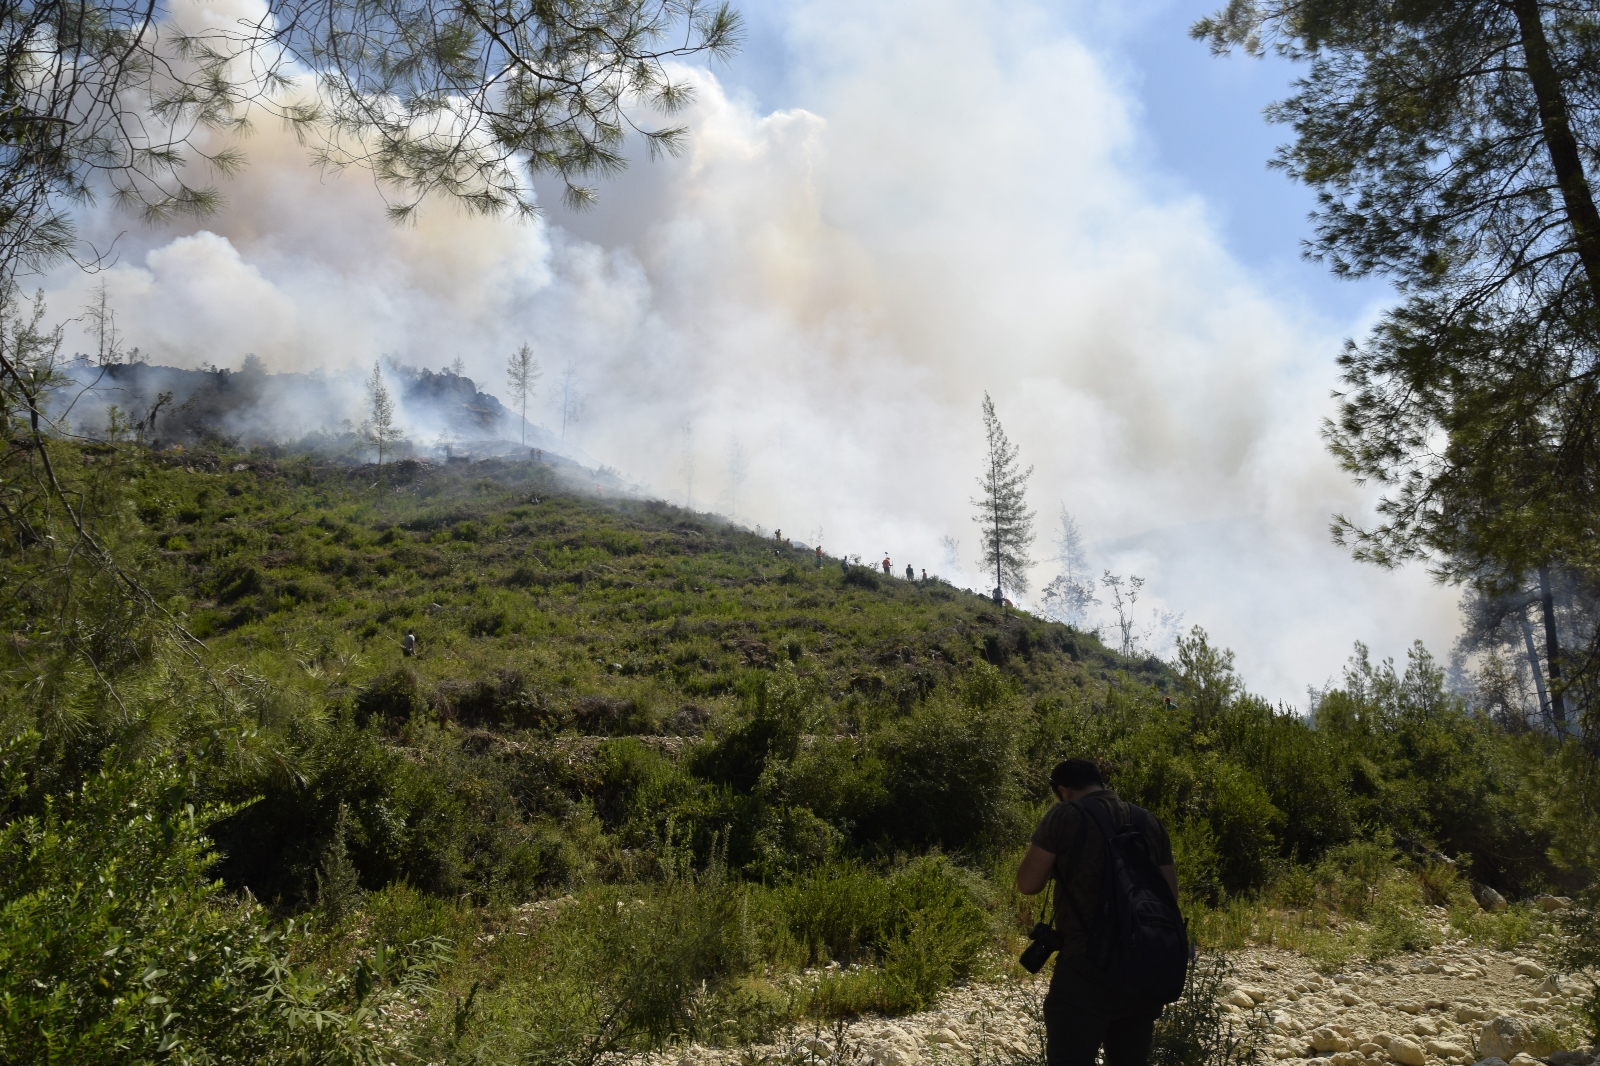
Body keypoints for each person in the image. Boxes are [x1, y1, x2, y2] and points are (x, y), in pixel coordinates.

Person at [1016, 760, 1178, 1066]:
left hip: (1085, 966)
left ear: (1063, 790)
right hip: (1144, 966)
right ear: (1099, 782)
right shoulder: (1147, 820)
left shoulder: (1065, 814)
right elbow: (1169, 897)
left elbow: (1028, 884)